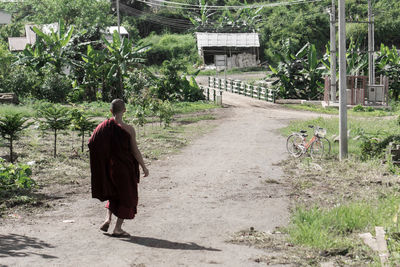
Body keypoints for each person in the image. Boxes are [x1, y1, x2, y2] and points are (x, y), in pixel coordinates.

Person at [88, 99, 149, 237]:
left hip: (112, 168)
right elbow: (135, 151)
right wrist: (144, 166)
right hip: (125, 168)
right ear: (125, 110)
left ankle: (107, 219)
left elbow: (92, 142)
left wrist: (103, 160)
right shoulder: (129, 129)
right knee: (128, 197)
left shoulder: (104, 126)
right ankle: (117, 228)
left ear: (111, 111)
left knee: (114, 193)